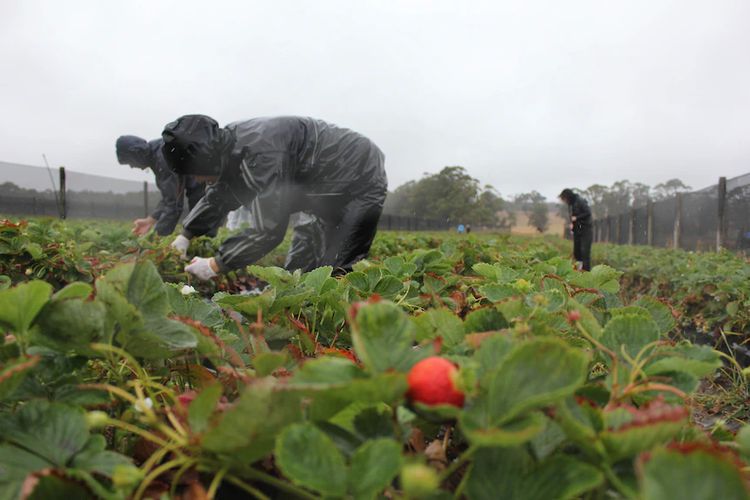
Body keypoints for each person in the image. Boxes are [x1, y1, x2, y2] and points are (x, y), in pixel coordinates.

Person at [161, 114, 388, 280]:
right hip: (318, 190)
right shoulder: (226, 146)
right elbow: (219, 196)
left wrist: (215, 264)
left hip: (360, 178)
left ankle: (350, 330)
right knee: (294, 273)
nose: (198, 180)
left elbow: (268, 230)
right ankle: (297, 321)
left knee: (337, 268)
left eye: (195, 173)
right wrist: (186, 235)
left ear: (205, 160)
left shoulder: (263, 154)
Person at [115, 135, 208, 236]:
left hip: (211, 181)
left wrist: (155, 237)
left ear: (136, 153)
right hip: (202, 184)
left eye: (129, 162)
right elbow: (169, 198)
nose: (132, 167)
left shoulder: (163, 158)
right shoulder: (158, 153)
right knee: (197, 223)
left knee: (199, 222)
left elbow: (174, 205)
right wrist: (151, 220)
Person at [559, 188, 592, 271]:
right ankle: (579, 270)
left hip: (585, 229)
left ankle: (586, 272)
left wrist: (576, 218)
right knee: (577, 251)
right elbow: (573, 216)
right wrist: (572, 224)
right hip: (577, 229)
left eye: (564, 199)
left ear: (567, 197)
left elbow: (588, 213)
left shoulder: (580, 201)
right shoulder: (571, 204)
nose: (564, 201)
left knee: (585, 252)